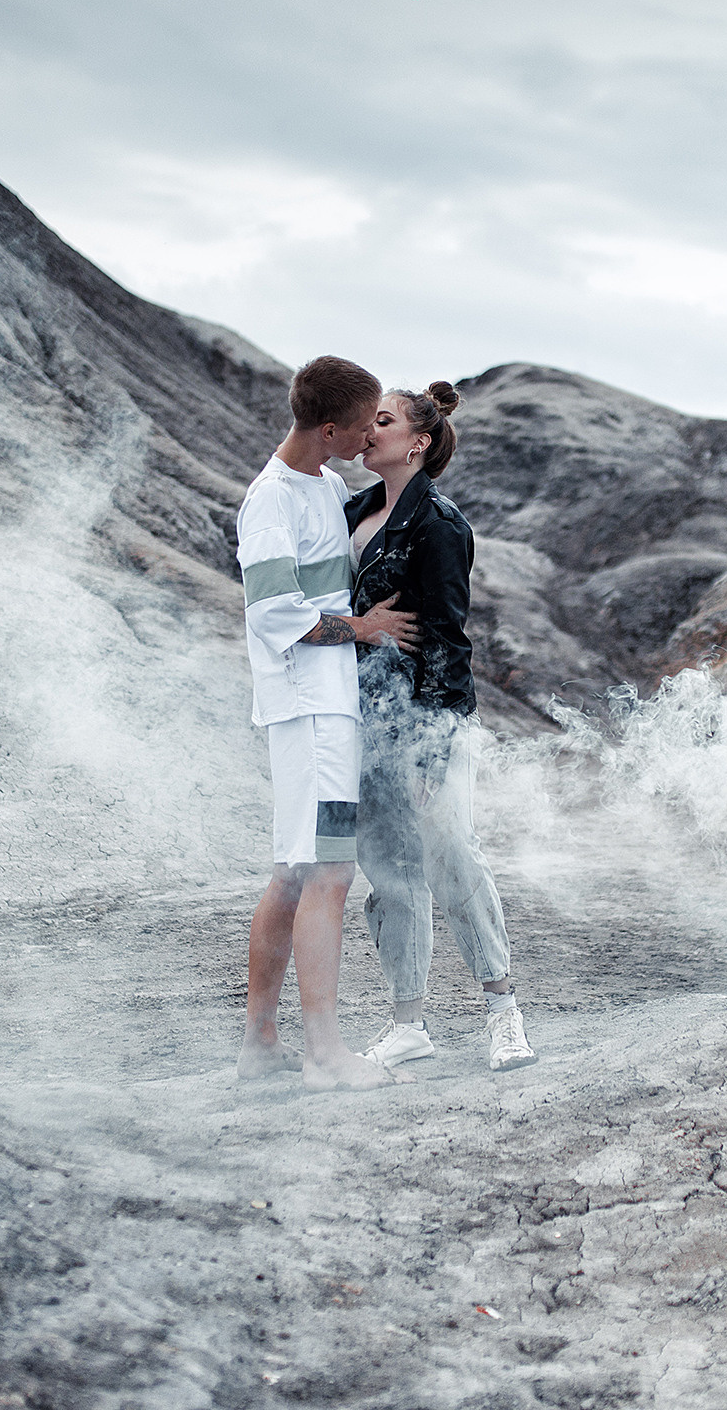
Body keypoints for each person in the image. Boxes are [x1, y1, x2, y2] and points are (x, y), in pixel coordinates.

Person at [236, 356, 421, 1091]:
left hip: (326, 708)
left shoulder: (323, 483)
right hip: (311, 710)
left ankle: (258, 1045)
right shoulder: (271, 498)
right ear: (329, 428)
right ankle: (323, 1055)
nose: (370, 433)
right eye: (365, 422)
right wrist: (367, 628)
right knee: (330, 873)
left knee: (294, 872)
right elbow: (275, 614)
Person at [345, 382, 537, 1074]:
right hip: (365, 720)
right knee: (389, 872)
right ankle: (407, 1025)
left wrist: (435, 742)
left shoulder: (440, 524)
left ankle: (502, 1012)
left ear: (418, 441)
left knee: (452, 852)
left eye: (384, 421)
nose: (370, 431)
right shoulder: (353, 512)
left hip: (428, 721)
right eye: (368, 420)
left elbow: (450, 640)